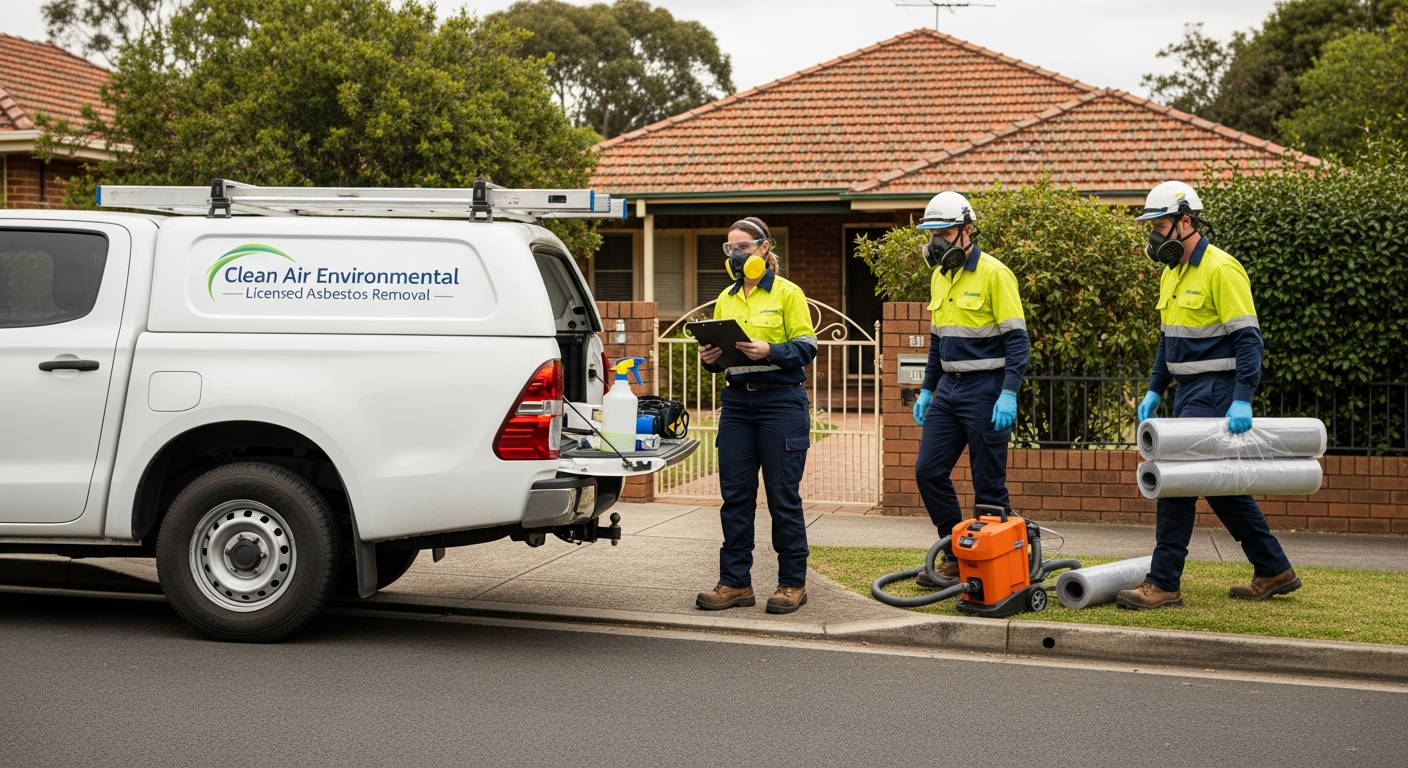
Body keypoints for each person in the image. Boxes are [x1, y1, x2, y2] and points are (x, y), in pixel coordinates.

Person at [1116, 180, 1300, 610]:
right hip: (1188, 392)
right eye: (1151, 226)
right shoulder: (1172, 272)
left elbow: (1248, 339)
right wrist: (1154, 389)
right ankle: (1274, 568)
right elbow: (1169, 340)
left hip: (1216, 390)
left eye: (1159, 225)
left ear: (1185, 221)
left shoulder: (1221, 268)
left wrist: (1242, 397)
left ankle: (1163, 582)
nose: (1153, 236)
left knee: (1175, 480)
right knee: (1219, 485)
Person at [694, 217, 818, 614]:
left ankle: (792, 583)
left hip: (781, 403)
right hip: (737, 404)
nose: (735, 254)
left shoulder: (788, 293)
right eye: (729, 248)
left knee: (782, 497)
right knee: (735, 497)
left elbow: (807, 348)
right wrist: (710, 358)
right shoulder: (726, 297)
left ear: (764, 248)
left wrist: (771, 351)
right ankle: (735, 583)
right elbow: (722, 359)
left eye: (743, 247)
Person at [911, 192, 1029, 588]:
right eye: (931, 235)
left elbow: (1018, 341)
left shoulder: (996, 274)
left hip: (987, 388)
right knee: (928, 471)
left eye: (943, 233)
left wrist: (1008, 392)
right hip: (948, 389)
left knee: (988, 484)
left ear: (967, 231)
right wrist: (928, 390)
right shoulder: (939, 276)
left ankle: (1006, 562)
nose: (936, 243)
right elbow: (936, 342)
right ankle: (956, 554)